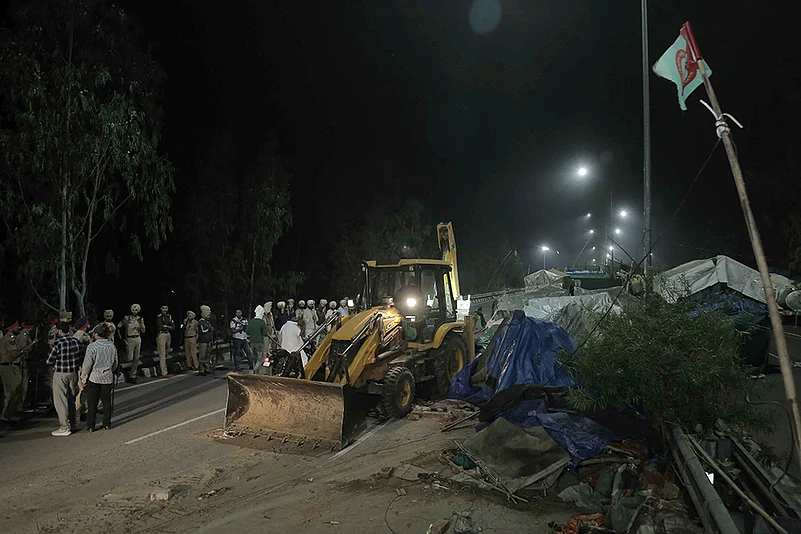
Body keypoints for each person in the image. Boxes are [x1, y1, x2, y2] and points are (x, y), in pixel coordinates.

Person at [46, 322, 82, 437]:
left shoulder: (57, 343)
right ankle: (73, 424)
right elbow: (81, 356)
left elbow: (49, 360)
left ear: (60, 331)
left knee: (61, 401)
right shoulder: (76, 342)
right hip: (73, 373)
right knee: (71, 399)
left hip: (61, 373)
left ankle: (64, 427)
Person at [81, 324, 118, 432]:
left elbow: (87, 365)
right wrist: (112, 370)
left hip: (94, 377)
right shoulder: (112, 346)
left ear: (96, 334)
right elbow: (115, 363)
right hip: (107, 377)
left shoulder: (92, 347)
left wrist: (84, 378)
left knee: (92, 402)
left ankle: (91, 426)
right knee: (106, 402)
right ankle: (106, 424)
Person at [0, 322, 25, 426]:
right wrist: (24, 350)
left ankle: (7, 415)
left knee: (16, 391)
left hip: (9, 365)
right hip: (9, 366)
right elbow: (14, 353)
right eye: (16, 325)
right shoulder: (10, 337)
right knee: (12, 392)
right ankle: (5, 416)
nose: (19, 327)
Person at [118, 304, 145, 383]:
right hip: (129, 338)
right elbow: (119, 326)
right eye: (133, 309)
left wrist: (141, 323)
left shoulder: (140, 319)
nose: (134, 311)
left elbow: (143, 331)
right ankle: (122, 365)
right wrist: (120, 337)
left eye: (136, 310)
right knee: (130, 358)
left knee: (136, 358)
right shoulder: (126, 318)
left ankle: (133, 375)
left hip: (137, 338)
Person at [155, 305, 175, 378]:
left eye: (166, 308)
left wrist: (166, 326)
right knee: (162, 354)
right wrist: (167, 326)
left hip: (168, 334)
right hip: (161, 334)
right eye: (163, 308)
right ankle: (164, 372)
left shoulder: (169, 316)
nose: (165, 309)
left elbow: (173, 327)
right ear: (161, 309)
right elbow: (160, 326)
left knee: (166, 352)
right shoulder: (159, 317)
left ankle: (164, 369)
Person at [248, 305, 268, 374]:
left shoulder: (251, 321)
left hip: (252, 342)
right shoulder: (261, 322)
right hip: (259, 342)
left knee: (254, 358)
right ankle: (254, 370)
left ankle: (256, 372)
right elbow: (265, 333)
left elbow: (247, 332)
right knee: (260, 358)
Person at [197, 306, 214, 376]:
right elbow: (203, 330)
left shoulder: (207, 322)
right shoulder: (201, 322)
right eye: (208, 315)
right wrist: (209, 328)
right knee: (202, 356)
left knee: (208, 355)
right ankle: (201, 369)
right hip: (203, 341)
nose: (209, 316)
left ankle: (207, 368)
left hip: (208, 340)